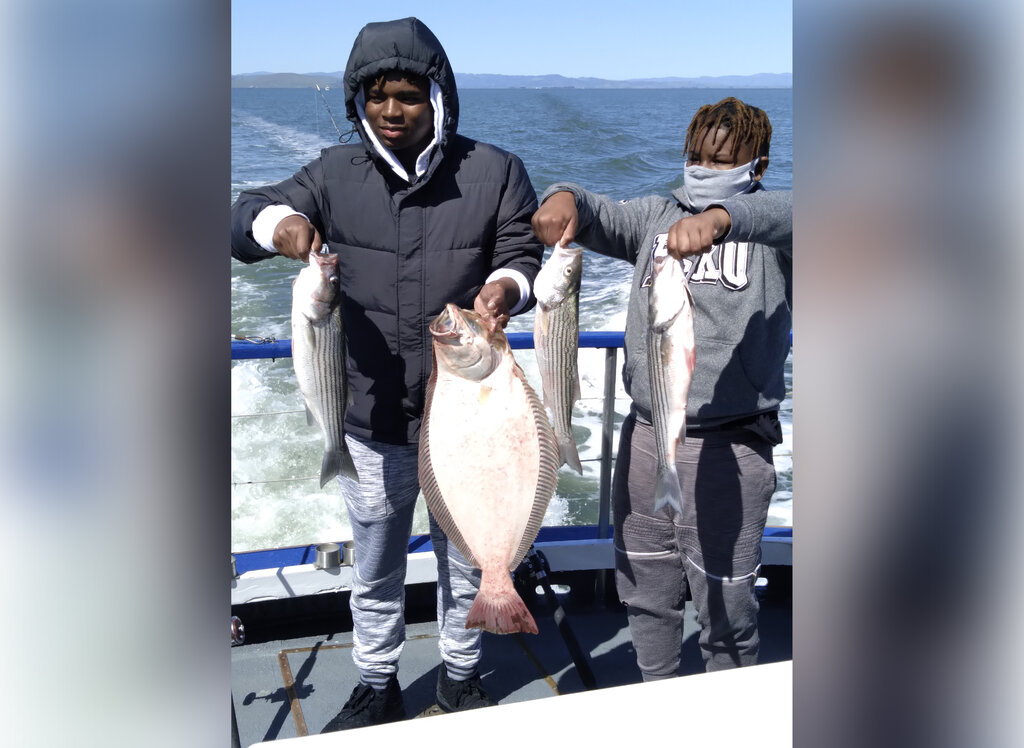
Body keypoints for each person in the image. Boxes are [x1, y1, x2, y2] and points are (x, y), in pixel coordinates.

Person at [230, 17, 543, 731]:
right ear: (358, 102)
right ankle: (378, 681)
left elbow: (521, 250)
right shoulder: (332, 174)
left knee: (468, 557)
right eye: (377, 98)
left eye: (409, 95)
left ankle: (461, 675)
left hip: (467, 419)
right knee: (374, 565)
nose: (393, 111)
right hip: (369, 421)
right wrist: (279, 226)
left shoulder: (494, 170)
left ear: (438, 98)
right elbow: (242, 213)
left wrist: (504, 290)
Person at [532, 97, 792, 678]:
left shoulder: (774, 236)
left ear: (759, 166)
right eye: (696, 158)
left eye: (723, 161)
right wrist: (563, 195)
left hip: (733, 445)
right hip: (648, 437)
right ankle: (656, 707)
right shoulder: (655, 217)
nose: (705, 170)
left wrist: (725, 218)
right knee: (645, 593)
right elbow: (594, 212)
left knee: (725, 609)